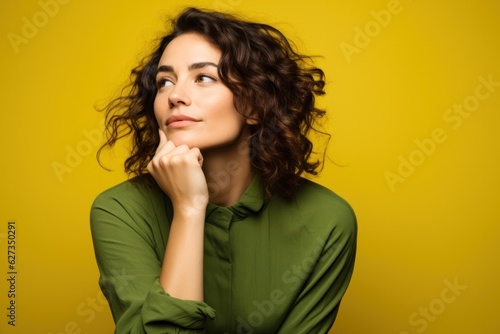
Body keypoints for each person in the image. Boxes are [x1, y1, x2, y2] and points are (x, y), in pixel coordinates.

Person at [90, 7, 357, 334]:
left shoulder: (326, 221)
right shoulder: (119, 211)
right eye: (164, 81)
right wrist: (188, 209)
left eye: (203, 77)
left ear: (256, 104)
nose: (175, 95)